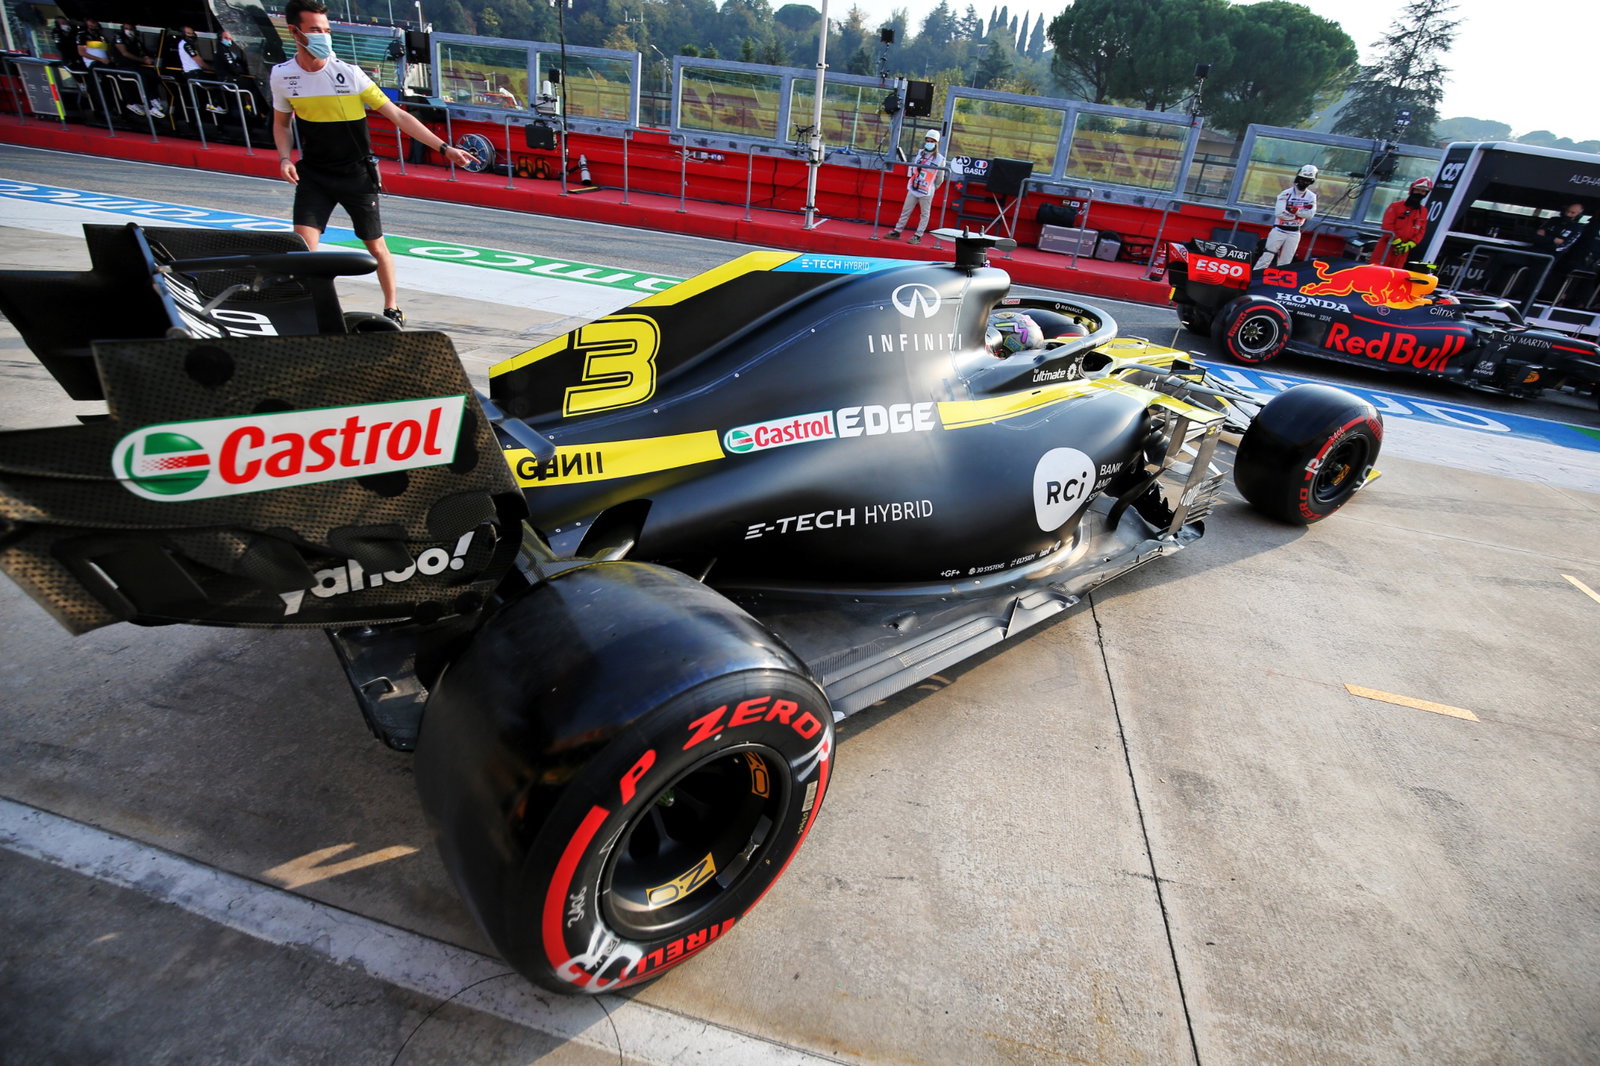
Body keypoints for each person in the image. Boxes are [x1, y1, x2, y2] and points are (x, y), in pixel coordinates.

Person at [271, 0, 479, 325]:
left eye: (327, 30)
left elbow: (398, 116)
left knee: (376, 246)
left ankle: (392, 307)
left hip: (356, 175)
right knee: (303, 249)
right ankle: (314, 310)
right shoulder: (282, 76)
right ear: (294, 32)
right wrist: (285, 157)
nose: (324, 36)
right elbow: (281, 123)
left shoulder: (349, 75)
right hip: (315, 175)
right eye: (315, 30)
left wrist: (444, 148)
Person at [886, 130, 947, 245]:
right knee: (906, 209)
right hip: (914, 186)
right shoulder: (920, 153)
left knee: (924, 213)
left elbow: (940, 177)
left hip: (928, 189)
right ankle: (897, 231)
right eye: (927, 140)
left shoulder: (940, 159)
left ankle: (918, 235)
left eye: (932, 141)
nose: (929, 143)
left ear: (936, 143)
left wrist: (933, 186)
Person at [1255, 164, 1318, 269]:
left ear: (1311, 181)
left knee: (1286, 261)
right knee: (1267, 256)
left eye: (1307, 180)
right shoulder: (1286, 193)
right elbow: (1280, 213)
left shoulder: (1312, 196)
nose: (1304, 182)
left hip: (1295, 232)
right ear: (1298, 178)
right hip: (1279, 230)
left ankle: (1278, 283)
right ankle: (1254, 279)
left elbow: (1310, 215)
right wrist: (1299, 214)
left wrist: (1294, 210)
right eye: (1302, 179)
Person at [1371, 177, 1431, 268]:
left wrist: (1408, 246)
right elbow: (1387, 226)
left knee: (1395, 275)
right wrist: (1397, 243)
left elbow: (1421, 231)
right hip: (1386, 247)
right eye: (1418, 190)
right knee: (1376, 271)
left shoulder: (1423, 211)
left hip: (1403, 251)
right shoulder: (1396, 206)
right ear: (1412, 190)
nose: (1420, 193)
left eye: (1423, 191)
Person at [112, 23, 167, 119]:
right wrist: (142, 60)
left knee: (153, 74)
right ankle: (149, 107)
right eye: (126, 28)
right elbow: (125, 53)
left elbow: (142, 50)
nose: (128, 30)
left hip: (134, 66)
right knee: (141, 77)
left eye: (130, 28)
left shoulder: (135, 39)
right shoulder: (119, 37)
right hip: (122, 68)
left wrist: (146, 57)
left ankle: (153, 98)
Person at [176, 25, 224, 116]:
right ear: (183, 34)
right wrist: (213, 69)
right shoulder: (186, 45)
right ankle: (214, 104)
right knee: (220, 82)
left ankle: (213, 104)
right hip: (194, 74)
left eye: (192, 33)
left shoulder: (185, 44)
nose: (191, 35)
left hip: (194, 73)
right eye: (188, 33)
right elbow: (200, 63)